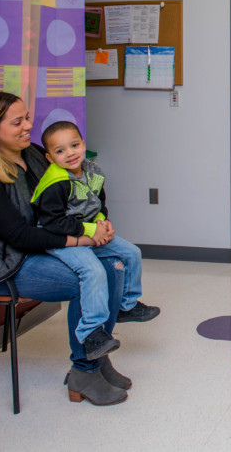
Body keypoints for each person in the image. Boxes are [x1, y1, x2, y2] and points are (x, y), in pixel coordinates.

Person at [0, 91, 159, 405]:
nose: (28, 126)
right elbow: (20, 237)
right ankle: (84, 370)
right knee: (89, 279)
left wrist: (99, 225)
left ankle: (96, 356)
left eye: (26, 117)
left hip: (40, 247)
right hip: (0, 263)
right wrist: (84, 238)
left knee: (116, 265)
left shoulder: (36, 155)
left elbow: (73, 200)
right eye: (17, 122)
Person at [30, 120, 158, 360]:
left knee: (131, 252)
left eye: (74, 145)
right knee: (93, 271)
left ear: (83, 144)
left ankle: (126, 306)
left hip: (89, 229)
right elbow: (53, 223)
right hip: (62, 238)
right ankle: (91, 332)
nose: (69, 153)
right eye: (60, 151)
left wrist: (103, 222)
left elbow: (99, 202)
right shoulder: (55, 184)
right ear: (49, 157)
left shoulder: (94, 172)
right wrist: (91, 230)